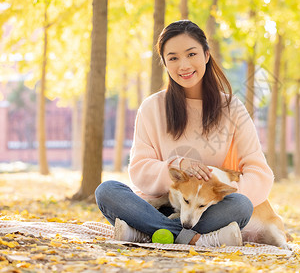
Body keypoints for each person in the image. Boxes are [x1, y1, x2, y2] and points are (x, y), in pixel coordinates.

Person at [95, 20, 274, 247]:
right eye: (173, 58)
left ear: (206, 55)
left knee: (241, 205)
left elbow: (259, 172)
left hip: (207, 210)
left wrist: (221, 190)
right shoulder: (152, 107)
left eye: (191, 54)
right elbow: (139, 170)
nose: (184, 65)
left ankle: (149, 233)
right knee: (107, 191)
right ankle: (195, 239)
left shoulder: (231, 108)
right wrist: (177, 166)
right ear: (165, 63)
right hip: (159, 205)